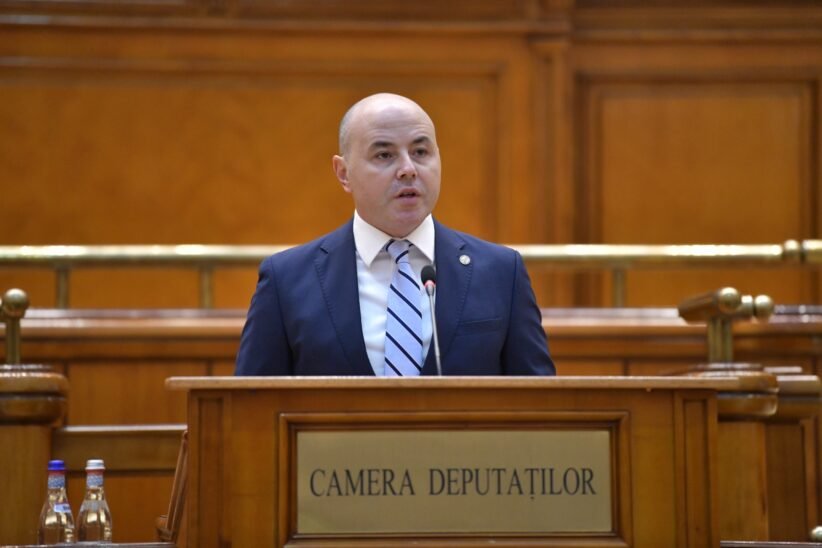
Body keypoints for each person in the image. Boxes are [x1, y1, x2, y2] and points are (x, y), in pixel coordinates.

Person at [235, 93, 554, 376]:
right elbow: (250, 412)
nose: (408, 169)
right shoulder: (287, 280)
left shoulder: (501, 272)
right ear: (343, 173)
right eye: (384, 155)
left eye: (420, 152)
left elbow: (541, 407)